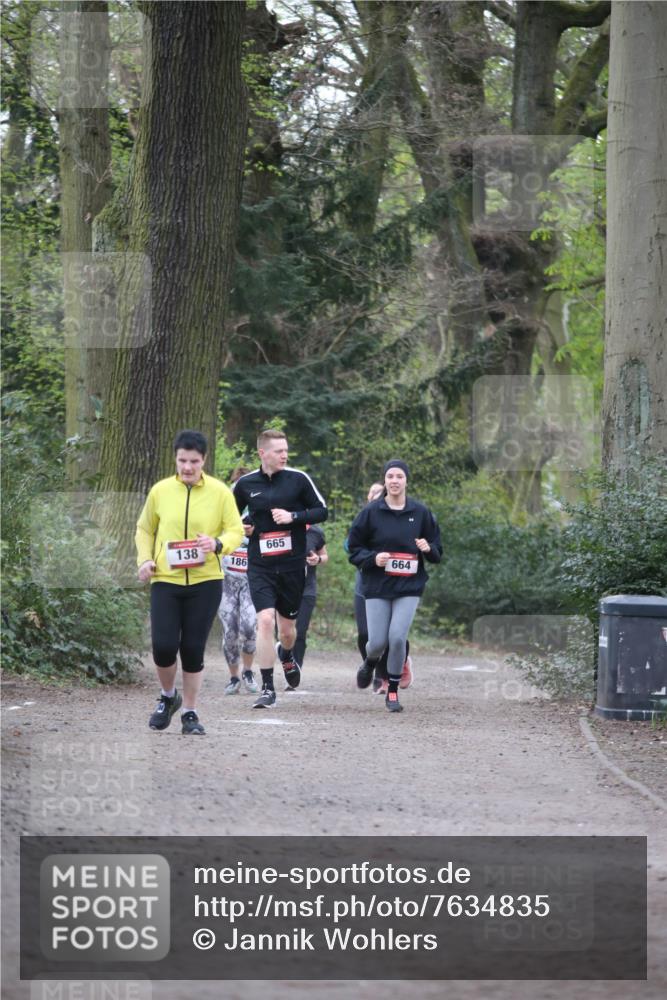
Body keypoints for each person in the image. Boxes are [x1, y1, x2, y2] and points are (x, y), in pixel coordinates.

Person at [136, 429, 244, 735]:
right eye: (182, 460)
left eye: (194, 461)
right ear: (175, 458)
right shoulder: (160, 491)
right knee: (163, 646)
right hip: (166, 579)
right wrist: (144, 560)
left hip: (205, 580)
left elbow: (236, 530)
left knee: (193, 648)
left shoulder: (220, 492)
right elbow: (144, 529)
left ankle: (190, 712)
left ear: (204, 460)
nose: (187, 467)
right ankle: (168, 697)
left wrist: (218, 543)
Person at [233, 429, 328, 708]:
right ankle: (267, 687)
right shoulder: (245, 484)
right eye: (278, 451)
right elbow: (228, 516)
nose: (285, 455)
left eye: (286, 450)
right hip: (260, 564)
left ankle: (286, 655)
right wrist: (242, 527)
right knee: (264, 621)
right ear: (263, 453)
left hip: (291, 566)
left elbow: (322, 511)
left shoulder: (299, 480)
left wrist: (293, 516)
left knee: (287, 632)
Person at [347, 459, 442, 713]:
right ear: (385, 481)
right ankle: (369, 663)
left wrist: (428, 549)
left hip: (409, 586)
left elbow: (437, 551)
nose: (395, 481)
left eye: (399, 476)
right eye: (390, 476)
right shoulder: (370, 512)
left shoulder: (420, 513)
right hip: (378, 584)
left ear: (406, 481)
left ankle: (392, 690)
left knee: (397, 637)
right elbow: (353, 549)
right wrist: (372, 559)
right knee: (376, 642)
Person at [353, 483, 413, 694]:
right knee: (366, 634)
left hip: (397, 586)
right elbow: (349, 546)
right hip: (367, 585)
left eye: (381, 494)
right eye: (373, 494)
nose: (378, 497)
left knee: (395, 634)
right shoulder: (365, 518)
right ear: (369, 498)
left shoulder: (404, 518)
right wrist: (373, 557)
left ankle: (388, 675)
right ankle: (373, 668)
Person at [218, 466, 259, 696]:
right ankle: (233, 677)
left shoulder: (259, 510)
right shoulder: (223, 510)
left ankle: (249, 671)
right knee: (230, 630)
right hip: (226, 580)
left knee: (249, 627)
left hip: (251, 581)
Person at [290, 523, 328, 678]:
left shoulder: (316, 531)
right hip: (285, 587)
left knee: (300, 631)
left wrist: (318, 559)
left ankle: (296, 669)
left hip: (307, 589)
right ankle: (287, 659)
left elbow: (325, 556)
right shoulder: (282, 528)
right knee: (284, 632)